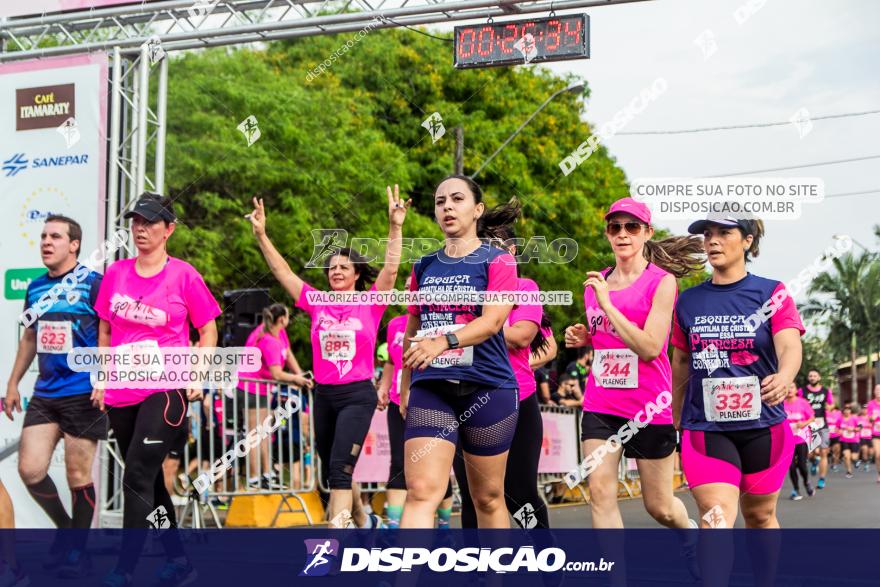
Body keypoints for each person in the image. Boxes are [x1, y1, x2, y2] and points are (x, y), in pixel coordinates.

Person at [246, 185, 408, 528]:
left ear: (357, 274)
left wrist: (395, 227)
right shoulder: (316, 301)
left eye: (344, 267)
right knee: (334, 468)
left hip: (356, 395)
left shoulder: (371, 303)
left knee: (338, 469)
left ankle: (334, 547)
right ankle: (365, 523)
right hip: (324, 396)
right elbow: (283, 273)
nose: (336, 271)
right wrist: (262, 234)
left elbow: (391, 272)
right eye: (332, 267)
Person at [92, 193, 221, 587]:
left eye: (149, 223)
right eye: (135, 222)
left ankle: (124, 570)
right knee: (150, 482)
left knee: (135, 473)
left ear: (169, 229)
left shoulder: (184, 275)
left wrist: (197, 375)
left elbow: (208, 330)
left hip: (167, 389)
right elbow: (105, 329)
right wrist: (101, 377)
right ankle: (178, 560)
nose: (140, 229)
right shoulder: (115, 274)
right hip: (122, 391)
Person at [566, 197, 703, 531]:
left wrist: (607, 305)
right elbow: (611, 338)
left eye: (632, 227)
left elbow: (651, 347)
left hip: (648, 406)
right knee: (600, 494)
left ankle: (690, 534)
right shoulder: (596, 284)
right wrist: (586, 337)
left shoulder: (662, 281)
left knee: (659, 507)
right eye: (615, 227)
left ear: (646, 233)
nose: (623, 234)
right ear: (608, 233)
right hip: (601, 405)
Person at [399, 175, 519, 529]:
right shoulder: (423, 265)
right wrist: (406, 382)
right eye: (440, 202)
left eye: (456, 199)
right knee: (421, 491)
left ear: (477, 209)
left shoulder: (498, 261)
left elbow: (493, 322)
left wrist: (445, 341)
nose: (447, 207)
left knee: (487, 497)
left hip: (488, 387)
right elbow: (413, 326)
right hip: (432, 386)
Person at [672, 213, 804, 531]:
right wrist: (675, 421)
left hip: (764, 427)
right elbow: (680, 362)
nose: (712, 240)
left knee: (760, 517)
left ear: (747, 241)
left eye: (724, 232)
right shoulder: (689, 301)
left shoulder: (772, 293)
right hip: (706, 428)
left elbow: (789, 346)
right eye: (707, 234)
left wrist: (785, 375)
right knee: (715, 516)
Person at [4, 215, 107, 577]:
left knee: (79, 475)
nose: (47, 242)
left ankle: (76, 550)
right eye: (44, 236)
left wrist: (104, 378)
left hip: (83, 394)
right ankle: (67, 532)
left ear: (74, 245)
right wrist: (13, 382)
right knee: (30, 470)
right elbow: (30, 338)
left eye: (56, 237)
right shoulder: (34, 288)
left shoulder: (94, 284)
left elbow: (108, 336)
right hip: (46, 393)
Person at [453, 225, 555, 529]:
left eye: (495, 245)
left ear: (511, 251)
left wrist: (479, 327)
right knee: (475, 495)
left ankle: (542, 554)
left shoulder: (524, 287)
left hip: (516, 398)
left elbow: (524, 337)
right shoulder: (465, 288)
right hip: (468, 398)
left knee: (518, 494)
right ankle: (478, 573)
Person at [377, 282, 454, 529]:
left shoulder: (439, 320)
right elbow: (391, 360)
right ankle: (393, 527)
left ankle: (443, 526)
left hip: (431, 398)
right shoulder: (395, 325)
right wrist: (383, 387)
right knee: (399, 462)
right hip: (400, 400)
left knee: (436, 467)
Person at [237, 303, 313, 490]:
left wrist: (301, 374)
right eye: (288, 316)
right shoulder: (268, 339)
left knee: (263, 433)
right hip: (249, 387)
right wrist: (297, 379)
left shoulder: (278, 332)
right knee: (254, 433)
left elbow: (288, 355)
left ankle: (267, 473)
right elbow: (278, 374)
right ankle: (255, 478)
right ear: (282, 319)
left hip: (260, 387)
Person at [798, 369, 832, 488]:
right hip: (808, 424)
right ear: (808, 378)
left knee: (824, 452)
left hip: (822, 424)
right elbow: (798, 403)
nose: (812, 377)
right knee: (810, 452)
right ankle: (813, 461)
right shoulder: (802, 391)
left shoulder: (826, 391)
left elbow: (830, 404)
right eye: (810, 376)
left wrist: (829, 407)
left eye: (815, 376)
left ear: (819, 378)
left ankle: (822, 479)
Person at [784, 383, 815, 500]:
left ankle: (807, 482)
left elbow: (812, 417)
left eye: (792, 387)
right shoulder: (781, 404)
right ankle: (796, 489)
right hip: (787, 440)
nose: (789, 390)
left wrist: (803, 423)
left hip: (801, 439)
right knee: (791, 467)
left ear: (796, 390)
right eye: (787, 387)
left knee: (802, 464)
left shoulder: (803, 403)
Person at [839, 404, 860, 478]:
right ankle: (849, 471)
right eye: (845, 409)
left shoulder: (854, 419)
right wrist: (839, 431)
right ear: (843, 411)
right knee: (846, 456)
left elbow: (860, 427)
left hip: (854, 440)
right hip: (844, 440)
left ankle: (856, 461)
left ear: (850, 411)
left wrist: (853, 429)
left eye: (848, 409)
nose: (847, 411)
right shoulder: (840, 419)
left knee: (853, 457)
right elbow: (836, 428)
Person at [867, 385, 880, 483]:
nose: (879, 391)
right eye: (877, 389)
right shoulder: (871, 404)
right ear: (874, 391)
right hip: (876, 433)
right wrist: (873, 418)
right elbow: (869, 419)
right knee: (878, 455)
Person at [826, 402, 842, 472]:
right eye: (828, 404)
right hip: (826, 435)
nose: (829, 405)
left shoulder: (839, 413)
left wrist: (841, 429)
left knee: (837, 449)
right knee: (826, 451)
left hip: (836, 434)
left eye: (831, 404)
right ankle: (827, 460)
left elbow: (843, 421)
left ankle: (835, 464)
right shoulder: (824, 413)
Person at [857, 406, 872, 472]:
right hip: (862, 437)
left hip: (871, 437)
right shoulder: (858, 418)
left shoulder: (871, 418)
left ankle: (865, 461)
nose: (864, 410)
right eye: (863, 409)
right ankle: (866, 465)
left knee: (871, 452)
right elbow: (857, 426)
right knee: (865, 450)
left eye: (866, 409)